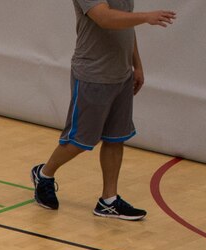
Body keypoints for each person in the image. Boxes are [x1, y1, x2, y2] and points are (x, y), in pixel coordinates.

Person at [30, 1, 175, 221]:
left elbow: (126, 22)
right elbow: (106, 18)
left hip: (121, 74)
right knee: (79, 140)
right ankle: (44, 174)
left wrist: (137, 65)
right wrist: (146, 17)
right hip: (93, 75)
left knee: (116, 138)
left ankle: (108, 201)